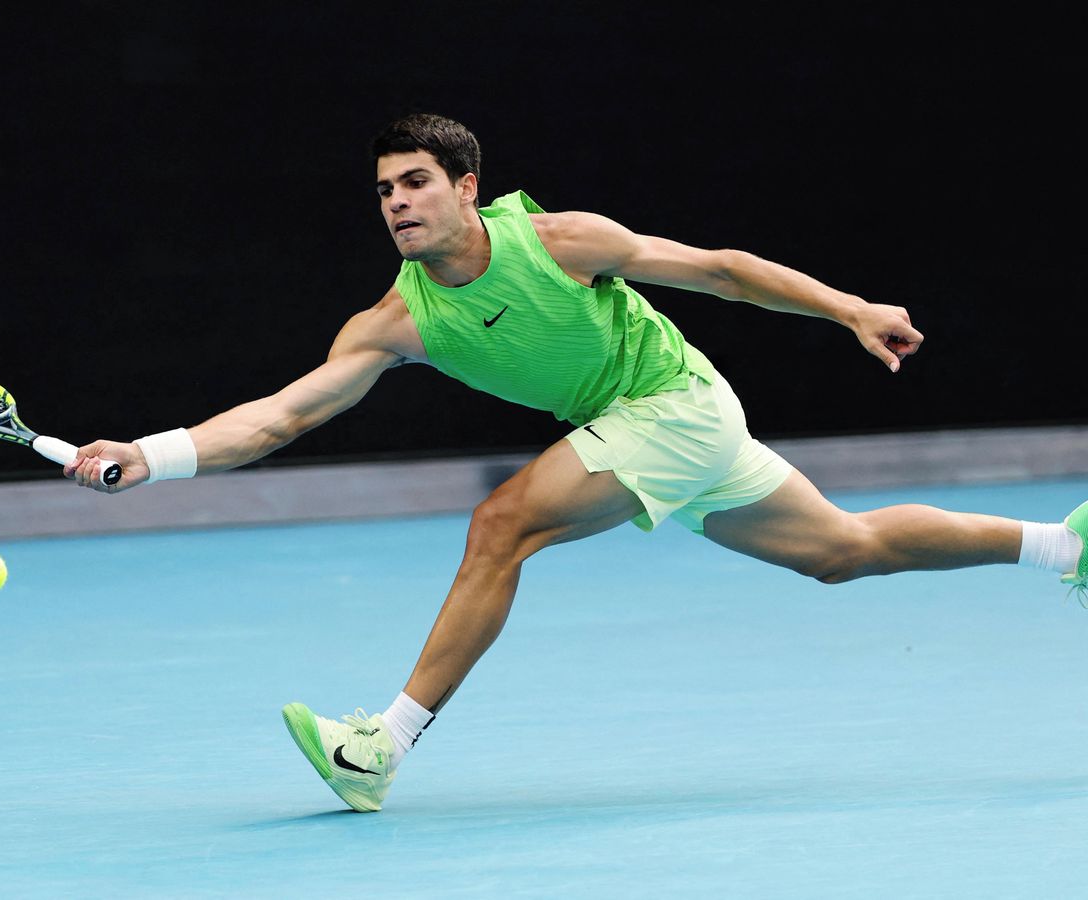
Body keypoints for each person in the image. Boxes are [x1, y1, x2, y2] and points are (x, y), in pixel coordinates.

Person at [66, 113, 1088, 813]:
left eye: (417, 182)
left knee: (502, 523)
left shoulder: (557, 242)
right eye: (383, 190)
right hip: (662, 434)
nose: (397, 202)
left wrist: (850, 308)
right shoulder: (394, 322)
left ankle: (383, 744)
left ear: (467, 188)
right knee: (843, 551)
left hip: (674, 405)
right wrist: (152, 455)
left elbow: (722, 272)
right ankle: (1065, 545)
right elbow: (279, 417)